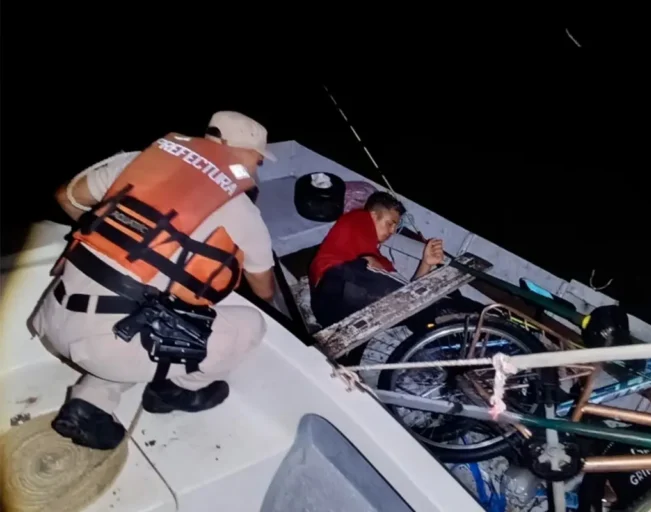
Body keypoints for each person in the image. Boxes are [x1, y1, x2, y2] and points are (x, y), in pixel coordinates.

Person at [31, 111, 278, 450]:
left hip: (51, 315)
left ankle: (91, 405)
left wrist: (115, 239)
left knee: (148, 313)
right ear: (243, 152)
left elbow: (66, 197)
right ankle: (174, 389)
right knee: (250, 325)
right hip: (103, 344)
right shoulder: (242, 209)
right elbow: (264, 290)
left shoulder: (138, 161)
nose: (258, 167)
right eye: (259, 159)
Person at [309, 191, 445, 329]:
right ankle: (438, 315)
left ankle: (434, 328)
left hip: (330, 313)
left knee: (413, 308)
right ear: (373, 215)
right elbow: (406, 292)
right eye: (390, 224)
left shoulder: (375, 254)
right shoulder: (360, 218)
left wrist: (426, 263)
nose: (393, 231)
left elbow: (406, 292)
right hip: (335, 284)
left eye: (395, 227)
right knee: (370, 264)